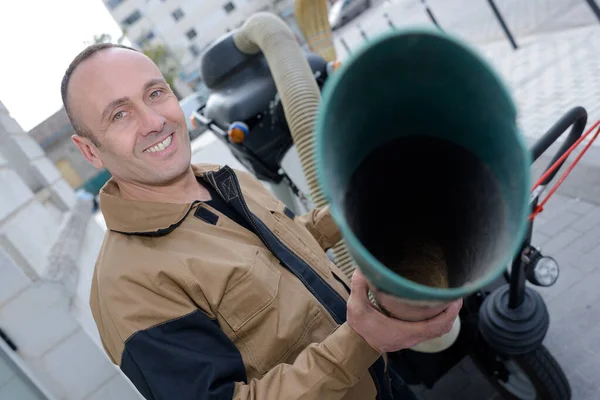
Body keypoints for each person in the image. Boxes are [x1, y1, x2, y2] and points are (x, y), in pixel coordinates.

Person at [63, 42, 462, 400]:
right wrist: (363, 339)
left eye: (155, 93)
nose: (153, 121)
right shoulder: (127, 288)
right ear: (90, 151)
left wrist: (358, 206)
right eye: (119, 114)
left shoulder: (219, 177)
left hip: (384, 383)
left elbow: (284, 245)